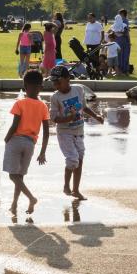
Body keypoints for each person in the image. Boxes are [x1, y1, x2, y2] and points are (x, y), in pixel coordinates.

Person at [49, 66, 104, 201]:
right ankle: (66, 186)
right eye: (54, 82)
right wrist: (69, 118)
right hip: (64, 133)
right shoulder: (55, 97)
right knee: (72, 160)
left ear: (68, 79)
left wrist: (96, 116)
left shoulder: (78, 89)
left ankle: (76, 190)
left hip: (79, 131)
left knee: (79, 160)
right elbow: (54, 118)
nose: (56, 85)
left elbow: (84, 107)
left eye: (58, 82)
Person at [2, 70, 49, 216]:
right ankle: (14, 204)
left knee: (12, 176)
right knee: (20, 176)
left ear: (25, 86)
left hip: (16, 141)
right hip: (30, 144)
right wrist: (42, 152)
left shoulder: (20, 103)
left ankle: (31, 198)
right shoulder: (43, 106)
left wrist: (7, 138)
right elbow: (46, 132)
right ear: (40, 87)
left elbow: (15, 125)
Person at [113, 9, 131, 75]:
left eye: (119, 13)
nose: (118, 15)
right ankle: (119, 70)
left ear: (122, 14)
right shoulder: (119, 20)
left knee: (123, 55)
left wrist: (117, 31)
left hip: (123, 39)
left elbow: (125, 32)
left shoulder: (124, 21)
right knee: (119, 55)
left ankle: (123, 70)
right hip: (119, 39)